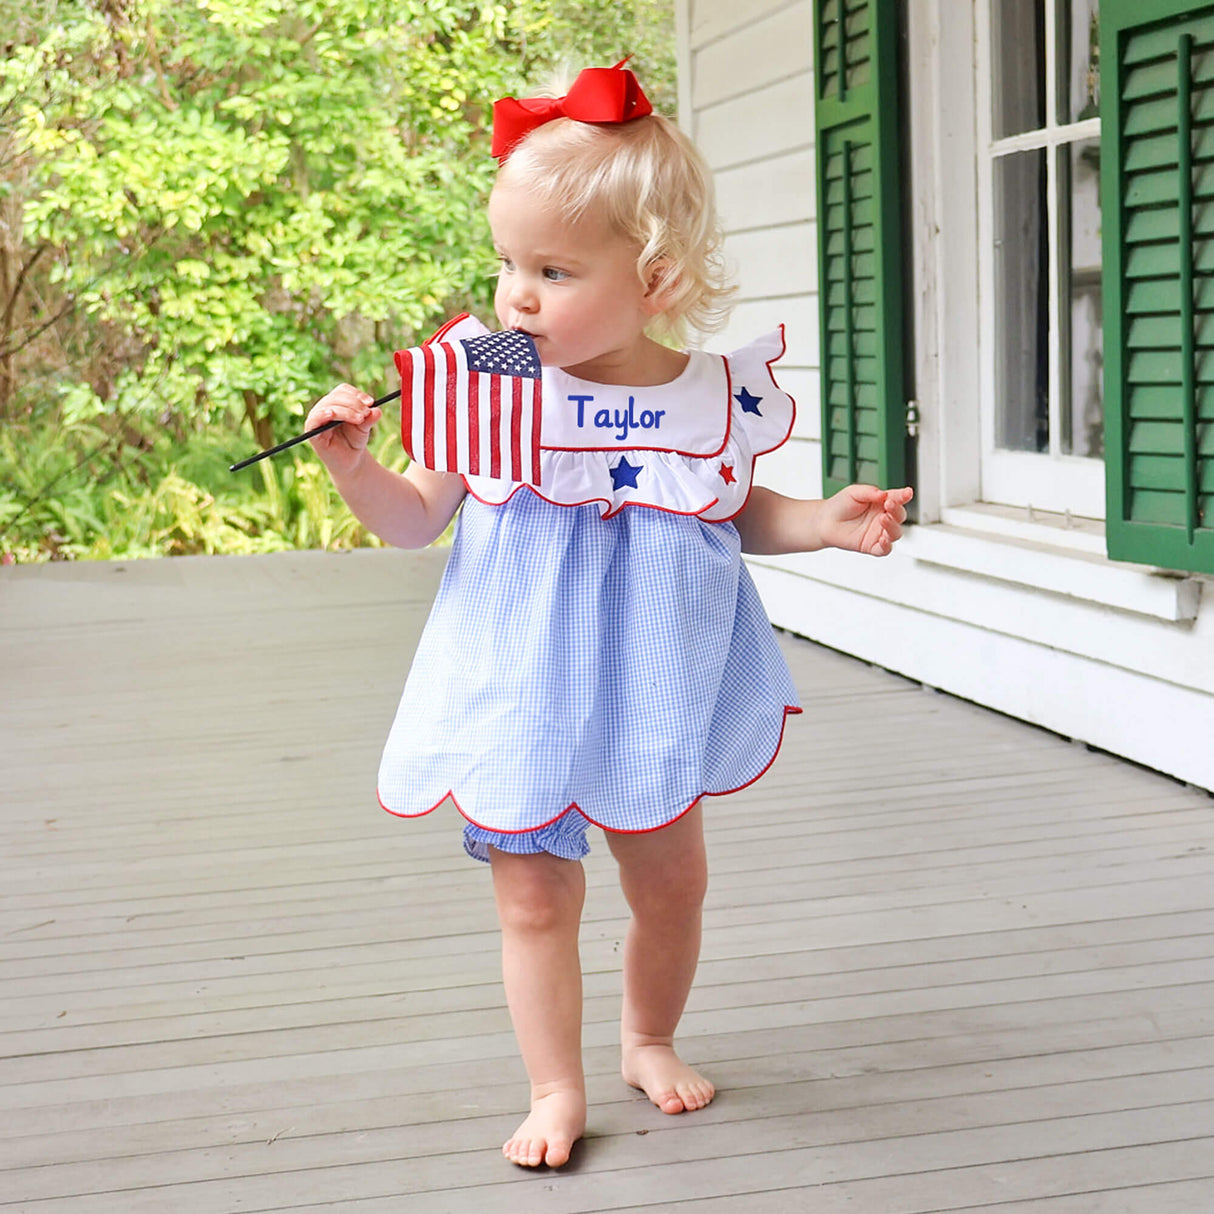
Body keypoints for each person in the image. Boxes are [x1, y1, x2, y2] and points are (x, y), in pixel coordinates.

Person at [305, 63, 913, 1170]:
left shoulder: (704, 396)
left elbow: (727, 507)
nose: (516, 298)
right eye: (506, 263)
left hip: (653, 681)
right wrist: (355, 467)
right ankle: (554, 1086)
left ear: (655, 276)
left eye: (552, 270)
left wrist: (820, 522)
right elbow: (412, 519)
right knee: (535, 898)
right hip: (522, 685)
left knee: (670, 881)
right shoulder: (488, 386)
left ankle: (648, 1036)